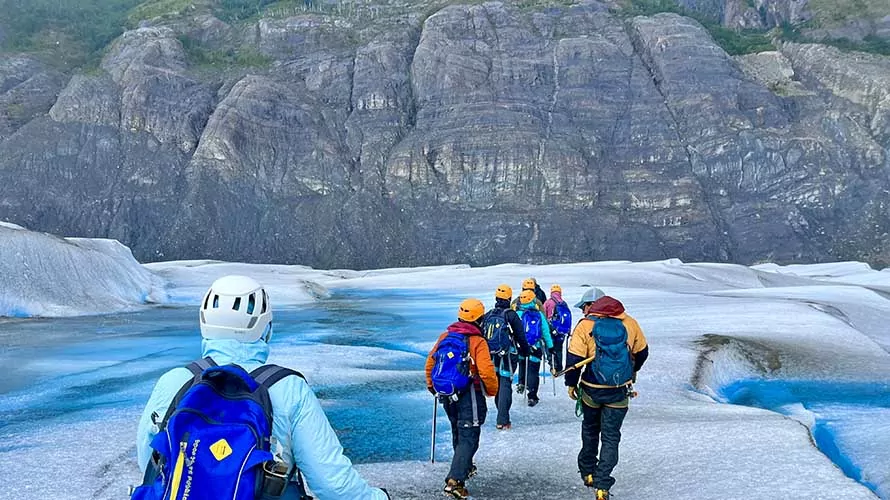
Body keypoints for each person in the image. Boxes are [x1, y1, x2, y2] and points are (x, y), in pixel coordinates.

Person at [135, 275, 389, 500]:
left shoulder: (175, 381)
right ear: (264, 328)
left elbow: (152, 462)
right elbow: (332, 484)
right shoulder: (288, 388)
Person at [564, 287, 649, 500]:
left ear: (591, 306)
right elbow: (643, 352)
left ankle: (588, 472)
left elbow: (574, 360)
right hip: (619, 391)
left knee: (591, 430)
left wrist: (571, 384)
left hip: (591, 390)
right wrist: (629, 372)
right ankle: (602, 485)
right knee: (611, 437)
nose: (584, 311)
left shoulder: (585, 326)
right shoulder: (629, 323)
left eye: (584, 307)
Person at [425, 298, 498, 499]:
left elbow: (430, 364)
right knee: (469, 434)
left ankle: (463, 467)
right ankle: (455, 480)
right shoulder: (477, 341)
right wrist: (491, 391)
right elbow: (486, 371)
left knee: (458, 430)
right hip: (469, 393)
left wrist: (432, 386)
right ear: (479, 318)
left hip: (447, 393)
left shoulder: (445, 336)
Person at [481, 284, 530, 430]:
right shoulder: (511, 315)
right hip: (508, 355)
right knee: (505, 384)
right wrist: (525, 351)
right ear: (509, 298)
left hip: (492, 355)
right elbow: (520, 335)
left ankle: (500, 416)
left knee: (497, 383)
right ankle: (503, 419)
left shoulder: (489, 314)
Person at [514, 289, 554, 407]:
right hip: (536, 347)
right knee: (533, 371)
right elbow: (546, 332)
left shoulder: (517, 314)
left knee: (522, 364)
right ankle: (532, 396)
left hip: (521, 346)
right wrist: (550, 347)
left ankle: (521, 383)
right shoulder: (539, 314)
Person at [543, 284, 572, 374]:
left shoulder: (548, 302)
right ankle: (560, 367)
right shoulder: (564, 303)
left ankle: (553, 365)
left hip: (550, 329)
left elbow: (544, 316)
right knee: (559, 348)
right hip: (562, 330)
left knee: (550, 346)